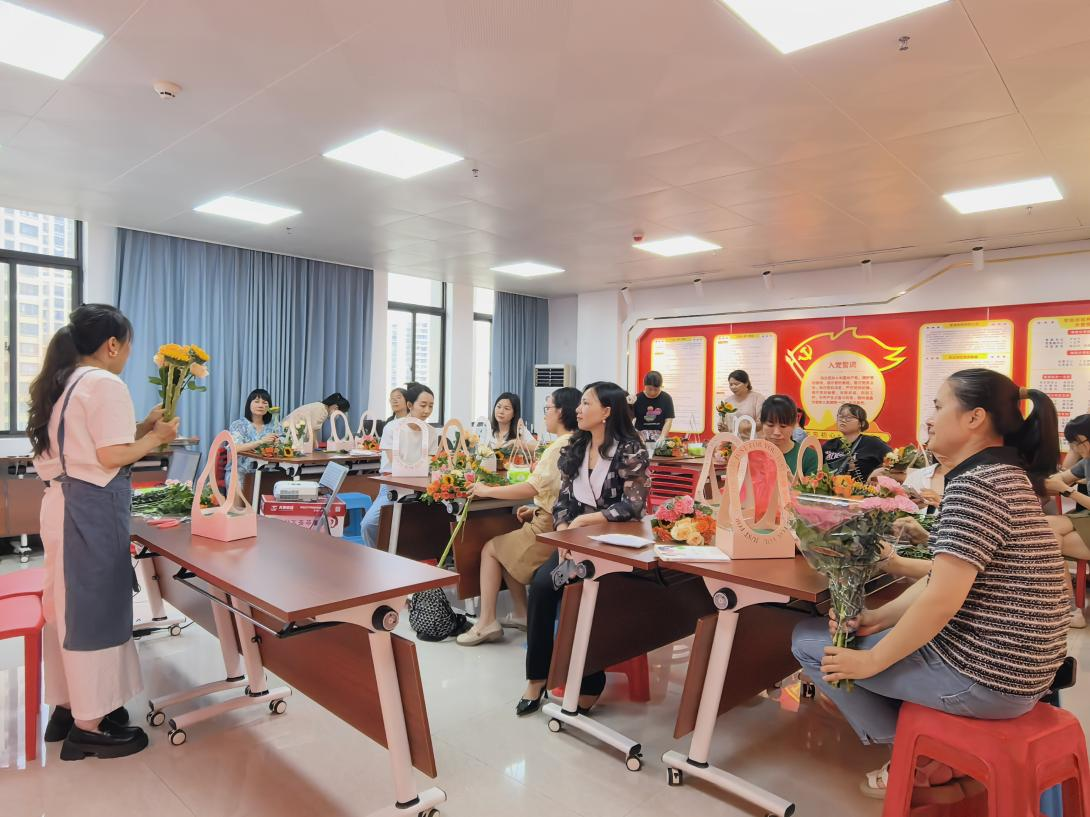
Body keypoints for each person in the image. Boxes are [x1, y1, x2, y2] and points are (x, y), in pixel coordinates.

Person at [792, 369, 1067, 803]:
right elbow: (943, 577)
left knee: (808, 641)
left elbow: (941, 600)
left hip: (988, 678)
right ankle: (933, 751)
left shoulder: (976, 485)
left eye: (939, 406)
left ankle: (916, 756)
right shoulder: (1006, 475)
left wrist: (872, 661)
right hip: (1024, 671)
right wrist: (877, 618)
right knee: (858, 638)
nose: (930, 418)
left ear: (974, 418)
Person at [27, 304, 180, 760]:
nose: (128, 355)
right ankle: (88, 727)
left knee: (66, 608)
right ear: (112, 345)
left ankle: (69, 705)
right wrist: (156, 438)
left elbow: (91, 443)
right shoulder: (104, 383)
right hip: (88, 508)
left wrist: (142, 427)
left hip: (63, 502)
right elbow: (110, 456)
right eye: (128, 346)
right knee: (91, 611)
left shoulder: (65, 381)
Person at [519, 382, 651, 717]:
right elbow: (563, 500)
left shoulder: (630, 449)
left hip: (614, 546)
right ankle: (536, 677)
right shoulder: (576, 446)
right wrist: (564, 531)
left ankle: (590, 680)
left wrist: (587, 519)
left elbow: (633, 505)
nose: (578, 410)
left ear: (606, 411)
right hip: (575, 543)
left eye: (586, 403)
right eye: (579, 403)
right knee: (542, 586)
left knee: (583, 594)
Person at [456, 387, 581, 646]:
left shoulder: (558, 446)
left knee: (491, 549)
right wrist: (537, 509)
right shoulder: (578, 441)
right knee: (506, 547)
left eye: (548, 408)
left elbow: (531, 487)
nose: (545, 414)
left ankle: (486, 621)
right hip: (555, 520)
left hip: (549, 527)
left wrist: (486, 490)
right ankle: (522, 614)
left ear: (561, 412)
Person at [360, 383, 438, 548]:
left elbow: (429, 462)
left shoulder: (431, 431)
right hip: (392, 486)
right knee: (368, 525)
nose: (427, 410)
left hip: (420, 488)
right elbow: (396, 465)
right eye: (423, 405)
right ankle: (375, 556)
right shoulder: (393, 427)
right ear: (410, 405)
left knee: (427, 525)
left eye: (431, 406)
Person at [1043, 414, 1090, 628]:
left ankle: (1070, 608)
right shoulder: (1087, 461)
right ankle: (1070, 607)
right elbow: (1062, 478)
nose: (1075, 449)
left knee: (1047, 540)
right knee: (1044, 528)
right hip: (1085, 517)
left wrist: (1067, 491)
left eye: (1076, 443)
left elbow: (1065, 486)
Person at [822, 403, 891, 483]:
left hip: (862, 490)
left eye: (848, 418)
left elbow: (894, 463)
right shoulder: (829, 445)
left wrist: (878, 473)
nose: (843, 420)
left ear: (861, 423)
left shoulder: (873, 443)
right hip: (831, 489)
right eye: (840, 417)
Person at [228, 388, 282, 476]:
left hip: (270, 472)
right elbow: (235, 448)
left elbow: (284, 445)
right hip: (240, 472)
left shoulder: (275, 425)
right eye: (256, 402)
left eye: (265, 403)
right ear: (249, 404)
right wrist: (261, 441)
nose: (261, 405)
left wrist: (279, 444)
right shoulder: (238, 425)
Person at [282, 392, 350, 437]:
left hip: (286, 429)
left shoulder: (320, 406)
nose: (337, 416)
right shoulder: (323, 411)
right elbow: (313, 431)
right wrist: (315, 445)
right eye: (340, 413)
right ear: (335, 407)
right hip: (286, 433)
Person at [633, 371, 675, 440]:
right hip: (640, 436)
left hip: (660, 435)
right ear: (644, 385)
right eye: (649, 389)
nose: (652, 392)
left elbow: (668, 420)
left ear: (660, 386)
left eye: (656, 389)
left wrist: (662, 436)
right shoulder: (637, 398)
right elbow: (629, 419)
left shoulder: (666, 398)